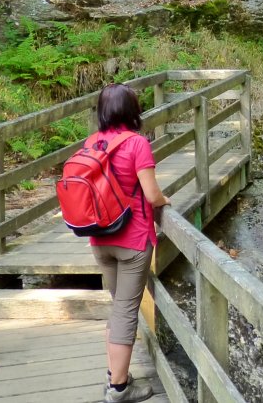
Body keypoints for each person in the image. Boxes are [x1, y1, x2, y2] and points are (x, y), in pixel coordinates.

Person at [86, 83, 170, 403]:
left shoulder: (93, 142)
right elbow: (152, 195)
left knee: (118, 307)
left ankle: (114, 375)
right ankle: (119, 388)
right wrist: (165, 200)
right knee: (125, 311)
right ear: (133, 111)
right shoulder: (137, 144)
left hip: (99, 239)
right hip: (132, 241)